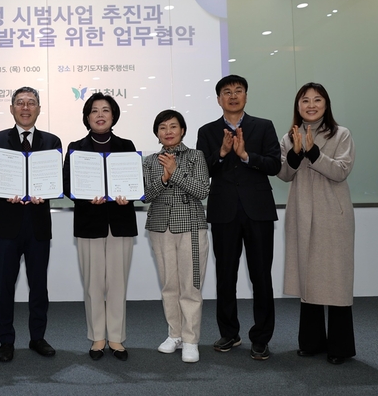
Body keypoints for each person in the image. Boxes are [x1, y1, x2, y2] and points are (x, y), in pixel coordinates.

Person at [196, 74, 281, 360]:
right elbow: (201, 172)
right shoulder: (207, 131)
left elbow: (273, 165)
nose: (233, 96)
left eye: (239, 91)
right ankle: (229, 333)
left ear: (246, 95)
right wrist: (221, 153)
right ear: (219, 99)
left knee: (261, 275)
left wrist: (246, 156)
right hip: (224, 212)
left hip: (258, 211)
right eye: (227, 92)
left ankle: (261, 337)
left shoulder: (263, 126)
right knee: (226, 275)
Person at [277, 83, 356, 365]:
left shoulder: (341, 134)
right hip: (301, 212)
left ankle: (340, 346)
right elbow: (284, 174)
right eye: (305, 100)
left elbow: (341, 171)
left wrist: (313, 153)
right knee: (307, 275)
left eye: (317, 100)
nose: (311, 105)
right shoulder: (288, 137)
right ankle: (310, 341)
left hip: (333, 215)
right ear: (297, 106)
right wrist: (296, 153)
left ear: (326, 104)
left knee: (335, 279)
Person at [0, 86, 62, 362]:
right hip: (7, 224)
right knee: (4, 285)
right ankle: (6, 341)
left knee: (38, 285)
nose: (25, 107)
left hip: (39, 224)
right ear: (11, 108)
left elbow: (56, 177)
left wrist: (47, 190)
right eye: (20, 103)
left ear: (39, 109)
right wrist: (5, 188)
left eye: (31, 103)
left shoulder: (52, 141)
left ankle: (37, 337)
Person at [62, 92, 137, 361]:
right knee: (93, 284)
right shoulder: (76, 147)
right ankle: (98, 337)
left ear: (113, 116)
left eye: (106, 110)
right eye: (94, 110)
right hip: (89, 222)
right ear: (87, 117)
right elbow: (68, 185)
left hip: (120, 222)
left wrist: (128, 194)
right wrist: (84, 195)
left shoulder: (127, 146)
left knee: (117, 283)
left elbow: (134, 181)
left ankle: (116, 338)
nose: (100, 115)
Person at [143, 110, 210, 363]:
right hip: (160, 227)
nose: (168, 131)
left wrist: (176, 172)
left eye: (173, 126)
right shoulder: (149, 161)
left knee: (190, 286)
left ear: (182, 130)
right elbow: (146, 195)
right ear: (157, 132)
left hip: (191, 226)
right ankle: (175, 334)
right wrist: (164, 176)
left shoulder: (195, 156)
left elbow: (202, 190)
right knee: (169, 285)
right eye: (162, 127)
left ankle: (191, 339)